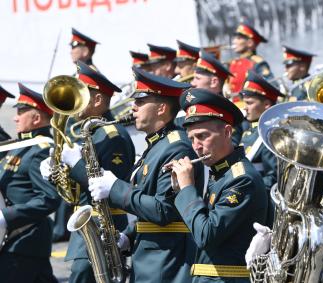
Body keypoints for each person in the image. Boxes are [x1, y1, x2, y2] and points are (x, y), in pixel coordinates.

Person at [87, 69, 204, 283]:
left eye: (140, 102)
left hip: (165, 261)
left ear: (161, 108)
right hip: (151, 256)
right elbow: (149, 204)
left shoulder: (176, 148)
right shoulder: (157, 145)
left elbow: (163, 210)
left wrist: (115, 188)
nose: (133, 107)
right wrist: (128, 236)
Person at [41, 61, 135, 283]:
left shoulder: (112, 135)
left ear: (98, 100)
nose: (73, 102)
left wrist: (74, 165)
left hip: (104, 223)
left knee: (82, 277)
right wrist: (55, 172)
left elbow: (106, 186)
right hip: (85, 221)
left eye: (79, 94)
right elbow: (73, 191)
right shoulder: (86, 132)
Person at [170, 88, 268, 282]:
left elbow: (206, 235)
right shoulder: (221, 172)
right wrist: (179, 191)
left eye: (203, 136)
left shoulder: (242, 178)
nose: (196, 146)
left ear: (227, 132)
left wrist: (188, 189)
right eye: (191, 139)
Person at [0, 83, 61, 283]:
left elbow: (49, 198)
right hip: (16, 243)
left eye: (21, 112)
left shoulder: (41, 150)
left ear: (36, 118)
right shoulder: (19, 146)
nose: (15, 117)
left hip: (26, 241)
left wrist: (6, 216)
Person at [239, 71, 279, 227]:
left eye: (249, 103)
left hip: (262, 206)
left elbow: (274, 177)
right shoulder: (250, 131)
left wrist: (248, 191)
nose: (245, 108)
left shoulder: (270, 134)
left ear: (267, 104)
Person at [189, 51, 244, 145]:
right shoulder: (194, 107)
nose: (192, 83)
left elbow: (228, 147)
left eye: (197, 78)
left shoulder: (227, 113)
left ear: (214, 82)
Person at [228, 21, 273, 99]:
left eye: (238, 38)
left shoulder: (257, 63)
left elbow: (269, 86)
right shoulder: (233, 63)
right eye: (235, 38)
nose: (234, 41)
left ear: (250, 43)